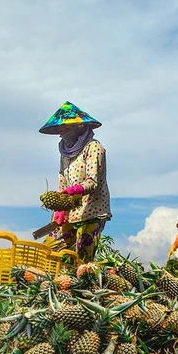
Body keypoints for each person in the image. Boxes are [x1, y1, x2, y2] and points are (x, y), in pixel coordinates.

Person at [41, 101, 111, 262]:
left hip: (92, 212)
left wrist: (74, 190)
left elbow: (92, 181)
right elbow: (62, 183)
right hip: (69, 211)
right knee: (50, 252)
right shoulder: (65, 153)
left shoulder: (94, 147)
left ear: (79, 127)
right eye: (59, 129)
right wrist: (59, 209)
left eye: (65, 128)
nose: (61, 133)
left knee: (81, 261)